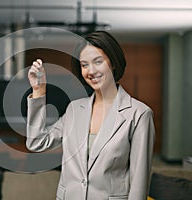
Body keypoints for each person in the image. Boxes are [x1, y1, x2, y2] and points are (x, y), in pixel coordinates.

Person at [26, 31, 155, 200]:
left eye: (98, 62)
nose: (91, 71)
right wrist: (38, 91)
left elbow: (139, 182)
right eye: (84, 65)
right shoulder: (74, 109)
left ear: (113, 63)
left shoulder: (139, 114)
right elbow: (36, 142)